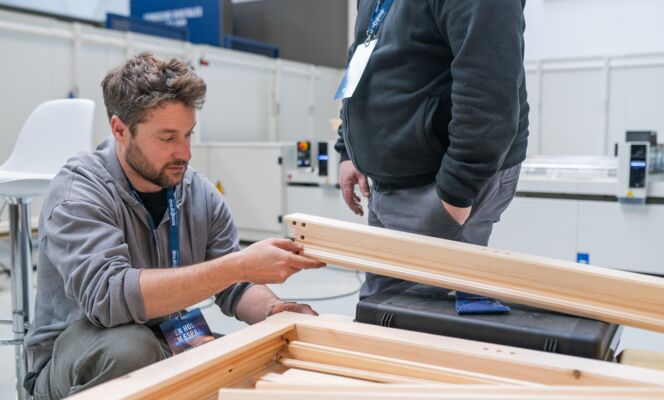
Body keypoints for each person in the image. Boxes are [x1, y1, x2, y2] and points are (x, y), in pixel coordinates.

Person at [23, 52, 325, 399]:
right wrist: (238, 265)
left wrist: (276, 312)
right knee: (131, 349)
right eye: (167, 138)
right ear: (120, 130)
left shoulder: (196, 191)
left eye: (188, 134)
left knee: (249, 364)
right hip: (76, 358)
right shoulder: (78, 192)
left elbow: (237, 286)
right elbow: (110, 299)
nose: (185, 153)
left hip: (167, 339)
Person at [336, 0, 530, 300]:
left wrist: (456, 191)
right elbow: (363, 55)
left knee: (420, 314)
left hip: (438, 182)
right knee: (383, 306)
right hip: (391, 182)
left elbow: (488, 90)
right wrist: (348, 149)